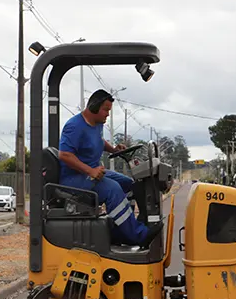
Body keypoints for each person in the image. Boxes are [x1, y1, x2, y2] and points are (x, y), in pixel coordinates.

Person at [58, 89, 162, 247]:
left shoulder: (96, 124)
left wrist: (114, 149)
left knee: (129, 184)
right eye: (105, 110)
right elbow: (64, 155)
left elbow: (98, 141)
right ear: (94, 107)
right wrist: (90, 171)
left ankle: (123, 230)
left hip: (93, 174)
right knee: (113, 189)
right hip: (74, 178)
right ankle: (137, 236)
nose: (107, 114)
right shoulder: (74, 126)